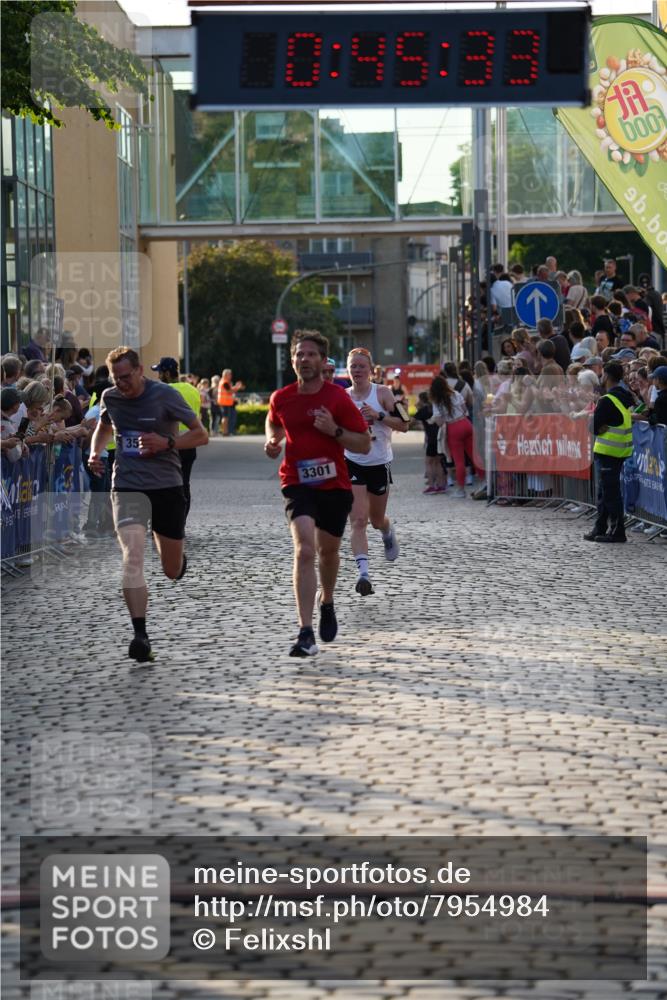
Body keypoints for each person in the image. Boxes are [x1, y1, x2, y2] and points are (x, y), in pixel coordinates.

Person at [89, 347, 208, 663]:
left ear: (141, 371)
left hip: (167, 486)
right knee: (133, 555)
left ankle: (179, 563)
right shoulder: (110, 397)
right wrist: (95, 453)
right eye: (117, 378)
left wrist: (167, 442)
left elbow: (201, 435)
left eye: (127, 377)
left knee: (170, 570)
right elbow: (104, 426)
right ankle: (140, 634)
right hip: (127, 487)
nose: (123, 384)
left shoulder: (165, 396)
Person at [264, 330, 370, 657]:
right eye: (299, 354)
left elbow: (364, 443)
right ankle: (305, 631)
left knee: (328, 553)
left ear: (323, 362)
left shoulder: (338, 399)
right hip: (297, 482)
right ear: (292, 360)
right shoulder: (281, 397)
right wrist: (272, 441)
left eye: (311, 354)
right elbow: (274, 423)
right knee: (305, 550)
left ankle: (328, 600)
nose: (304, 359)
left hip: (334, 485)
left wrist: (334, 431)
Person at [344, 347, 408, 596]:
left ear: (370, 369)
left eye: (361, 366)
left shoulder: (383, 393)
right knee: (358, 520)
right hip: (353, 462)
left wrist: (379, 415)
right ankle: (364, 574)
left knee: (375, 520)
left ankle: (387, 531)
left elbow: (404, 423)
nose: (357, 371)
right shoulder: (344, 397)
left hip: (379, 463)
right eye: (353, 367)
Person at [584, 361, 634, 544]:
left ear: (605, 375)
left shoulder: (607, 400)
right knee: (605, 492)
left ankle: (617, 530)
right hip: (619, 451)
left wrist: (596, 422)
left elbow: (593, 426)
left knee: (610, 493)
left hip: (608, 452)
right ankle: (601, 527)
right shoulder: (625, 396)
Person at [151, 357, 202, 523]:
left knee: (164, 484)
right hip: (189, 444)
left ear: (166, 373)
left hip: (169, 444)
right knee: (184, 484)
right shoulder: (192, 389)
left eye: (159, 372)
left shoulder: (162, 390)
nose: (158, 375)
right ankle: (181, 521)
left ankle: (165, 521)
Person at [429, 375, 481, 497]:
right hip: (466, 423)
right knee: (475, 456)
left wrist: (434, 419)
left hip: (453, 428)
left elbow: (440, 421)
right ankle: (485, 483)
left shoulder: (436, 401)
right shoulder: (455, 393)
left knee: (459, 461)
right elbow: (464, 409)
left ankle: (461, 490)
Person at [217, 368, 244, 436]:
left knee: (225, 417)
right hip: (224, 402)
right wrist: (238, 387)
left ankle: (225, 431)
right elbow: (230, 391)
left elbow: (230, 390)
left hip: (225, 402)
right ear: (225, 375)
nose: (231, 376)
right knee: (225, 417)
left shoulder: (225, 382)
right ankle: (225, 432)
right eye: (230, 374)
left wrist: (236, 387)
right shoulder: (224, 382)